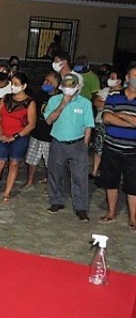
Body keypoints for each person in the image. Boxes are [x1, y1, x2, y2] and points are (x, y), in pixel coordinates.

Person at [0, 72, 36, 203]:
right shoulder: (6, 97)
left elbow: (31, 124)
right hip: (2, 135)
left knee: (14, 164)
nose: (13, 86)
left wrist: (14, 136)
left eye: (16, 84)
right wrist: (0, 133)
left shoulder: (30, 103)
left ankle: (7, 193)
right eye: (12, 84)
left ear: (24, 85)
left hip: (19, 137)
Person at [44, 73, 94, 221]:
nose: (68, 89)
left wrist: (84, 144)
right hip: (58, 142)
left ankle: (81, 208)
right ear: (61, 86)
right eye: (65, 86)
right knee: (55, 173)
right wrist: (62, 104)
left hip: (77, 144)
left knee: (80, 177)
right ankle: (56, 201)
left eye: (71, 86)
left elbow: (88, 126)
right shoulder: (54, 100)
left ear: (77, 87)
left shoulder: (85, 103)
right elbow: (48, 120)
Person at [95, 63, 136, 227]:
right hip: (112, 147)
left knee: (133, 186)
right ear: (127, 78)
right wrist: (131, 121)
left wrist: (120, 115)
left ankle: (133, 218)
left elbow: (114, 116)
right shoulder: (114, 95)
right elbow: (106, 117)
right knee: (110, 182)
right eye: (134, 75)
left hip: (133, 150)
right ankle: (111, 213)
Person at [24, 72, 60, 190]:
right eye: (45, 80)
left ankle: (50, 183)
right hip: (36, 132)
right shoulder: (40, 94)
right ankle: (30, 180)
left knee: (50, 162)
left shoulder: (60, 98)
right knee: (32, 159)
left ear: (56, 84)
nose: (45, 83)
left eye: (48, 81)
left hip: (50, 135)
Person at [91, 70, 123, 178]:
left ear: (119, 80)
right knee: (98, 148)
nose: (110, 79)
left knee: (111, 150)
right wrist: (113, 106)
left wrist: (106, 105)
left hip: (115, 124)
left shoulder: (124, 93)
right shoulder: (105, 90)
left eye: (113, 77)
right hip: (101, 122)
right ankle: (95, 171)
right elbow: (97, 103)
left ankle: (106, 173)